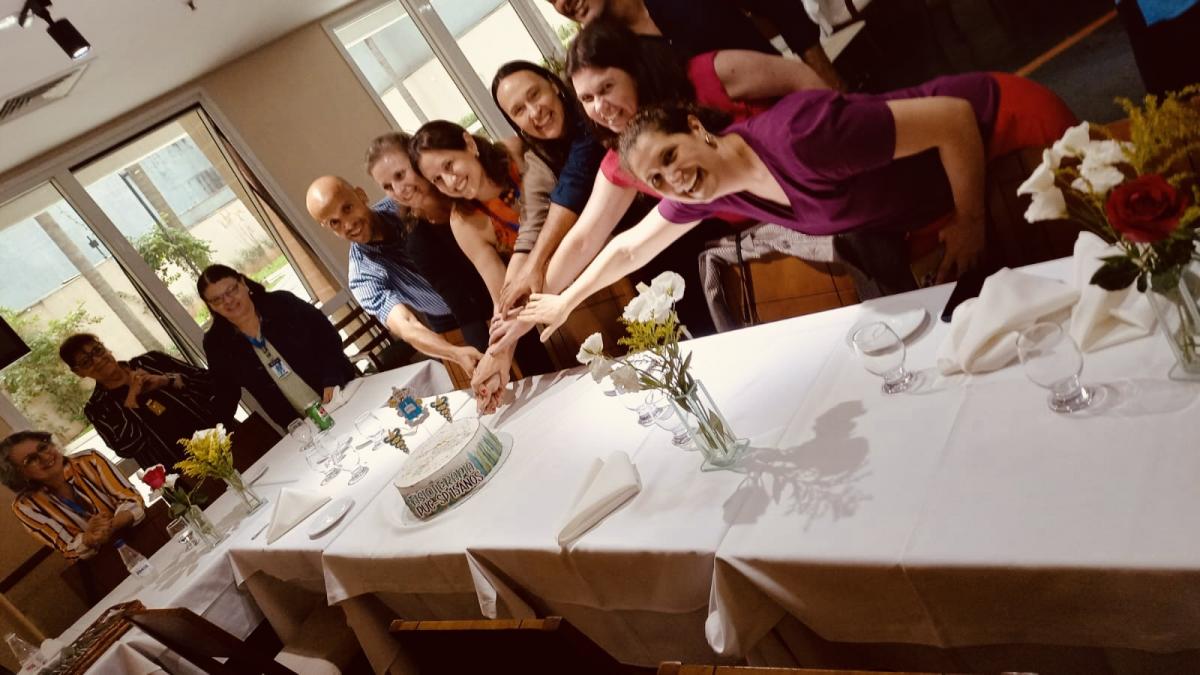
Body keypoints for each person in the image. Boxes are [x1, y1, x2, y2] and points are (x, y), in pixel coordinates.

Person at [522, 73, 1079, 334]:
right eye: (657, 180)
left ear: (695, 128)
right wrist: (565, 302)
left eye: (671, 155)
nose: (675, 179)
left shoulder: (799, 137)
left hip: (1008, 135)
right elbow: (627, 249)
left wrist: (970, 218)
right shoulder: (710, 190)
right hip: (953, 186)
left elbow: (953, 118)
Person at [306, 173, 491, 371]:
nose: (349, 225)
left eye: (347, 208)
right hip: (450, 321)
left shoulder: (406, 206)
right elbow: (406, 325)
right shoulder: (361, 277)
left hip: (486, 283)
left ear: (361, 195)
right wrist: (454, 353)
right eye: (335, 223)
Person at [546, 0, 843, 89]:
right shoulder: (610, 59)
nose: (562, 2)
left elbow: (780, 7)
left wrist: (829, 85)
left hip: (799, 102)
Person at [198, 265, 356, 428]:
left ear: (243, 283)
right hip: (302, 424)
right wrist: (212, 432)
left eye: (231, 290)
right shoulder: (217, 343)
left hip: (339, 391)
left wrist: (332, 378)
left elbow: (327, 338)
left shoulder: (282, 303)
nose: (228, 301)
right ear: (211, 306)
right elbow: (225, 392)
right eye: (217, 300)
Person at [59, 334, 237, 469]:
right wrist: (132, 397)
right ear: (79, 372)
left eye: (97, 351)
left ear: (105, 348)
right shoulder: (98, 408)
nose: (98, 360)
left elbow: (210, 383)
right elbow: (126, 448)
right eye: (86, 362)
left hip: (227, 441)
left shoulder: (152, 361)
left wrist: (167, 380)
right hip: (182, 472)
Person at [1, 431, 145, 561]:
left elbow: (132, 500)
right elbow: (67, 548)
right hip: (103, 563)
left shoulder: (89, 460)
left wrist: (109, 527)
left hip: (141, 534)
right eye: (31, 460)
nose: (45, 457)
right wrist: (88, 538)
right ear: (18, 474)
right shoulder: (25, 506)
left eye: (43, 447)